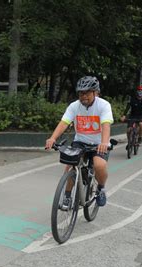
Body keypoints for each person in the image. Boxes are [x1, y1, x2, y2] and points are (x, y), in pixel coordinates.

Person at [45, 76, 113, 207]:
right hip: (80, 142)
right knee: (70, 166)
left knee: (99, 165)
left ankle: (101, 188)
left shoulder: (104, 105)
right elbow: (64, 123)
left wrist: (104, 143)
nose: (84, 96)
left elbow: (106, 125)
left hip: (99, 144)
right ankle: (67, 196)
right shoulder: (74, 106)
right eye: (81, 93)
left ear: (95, 93)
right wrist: (52, 138)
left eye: (87, 92)